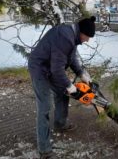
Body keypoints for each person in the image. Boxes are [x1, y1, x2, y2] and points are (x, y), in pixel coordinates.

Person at [28, 16, 96, 159]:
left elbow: (71, 58)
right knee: (45, 107)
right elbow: (57, 70)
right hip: (39, 68)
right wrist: (70, 86)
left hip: (50, 67)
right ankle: (44, 149)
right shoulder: (65, 37)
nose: (87, 40)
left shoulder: (72, 35)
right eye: (87, 36)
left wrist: (81, 73)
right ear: (81, 32)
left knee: (62, 93)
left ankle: (60, 123)